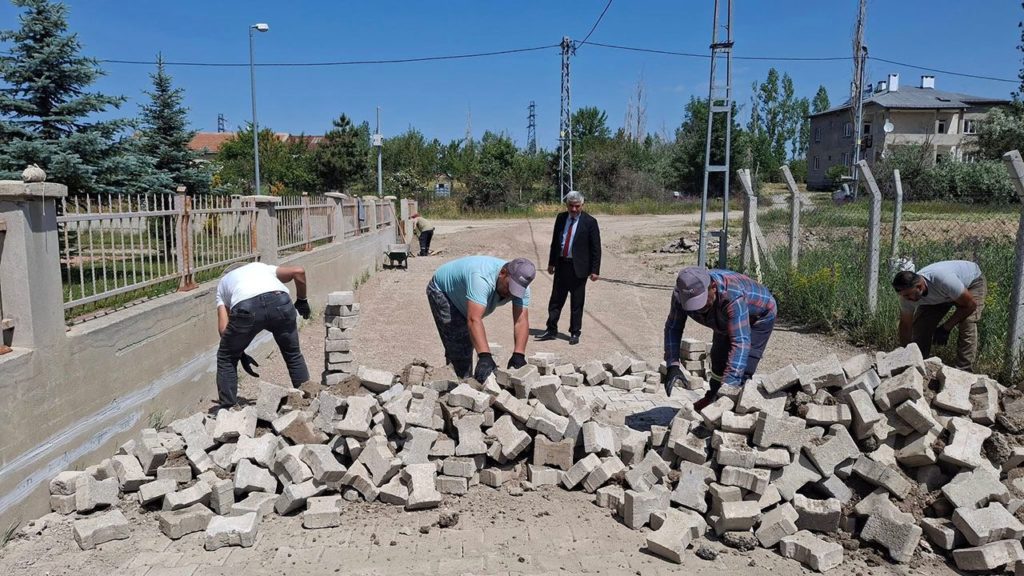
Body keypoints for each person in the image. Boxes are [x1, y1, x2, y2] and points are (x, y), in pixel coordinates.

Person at [663, 266, 777, 410]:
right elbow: (673, 327)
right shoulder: (681, 294)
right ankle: (712, 397)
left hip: (759, 315)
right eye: (692, 304)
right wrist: (672, 365)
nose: (698, 309)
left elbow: (740, 342)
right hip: (723, 315)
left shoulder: (732, 295)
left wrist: (728, 390)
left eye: (701, 301)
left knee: (743, 368)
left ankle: (735, 409)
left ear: (713, 287)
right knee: (718, 358)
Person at [215, 262, 312, 408]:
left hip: (246, 308)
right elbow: (299, 271)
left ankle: (228, 410)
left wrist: (238, 351)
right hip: (280, 302)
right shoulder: (261, 267)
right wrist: (302, 300)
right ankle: (307, 400)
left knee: (226, 357)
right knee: (293, 354)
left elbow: (224, 330)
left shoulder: (223, 284)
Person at [427, 256, 535, 382]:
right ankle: (459, 384)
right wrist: (485, 357)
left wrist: (519, 354)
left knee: (465, 340)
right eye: (509, 287)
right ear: (502, 273)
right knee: (460, 349)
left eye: (516, 290)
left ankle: (461, 378)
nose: (511, 293)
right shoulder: (481, 278)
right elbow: (474, 319)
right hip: (444, 291)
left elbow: (521, 321)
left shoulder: (522, 288)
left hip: (467, 296)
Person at [892, 260, 986, 371]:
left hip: (971, 283)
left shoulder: (943, 280)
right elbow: (905, 325)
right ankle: (917, 363)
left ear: (920, 287)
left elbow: (970, 305)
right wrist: (906, 352)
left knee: (967, 322)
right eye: (903, 296)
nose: (907, 299)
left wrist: (946, 328)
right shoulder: (906, 296)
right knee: (922, 323)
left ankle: (964, 369)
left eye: (908, 295)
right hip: (943, 293)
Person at [537, 191, 601, 345]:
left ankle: (574, 332)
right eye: (571, 206)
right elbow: (555, 242)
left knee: (577, 302)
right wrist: (551, 263)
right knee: (555, 300)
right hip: (561, 265)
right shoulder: (561, 218)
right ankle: (551, 329)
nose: (573, 209)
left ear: (582, 205)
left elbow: (596, 248)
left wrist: (595, 270)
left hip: (579, 268)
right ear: (567, 205)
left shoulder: (590, 222)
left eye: (577, 206)